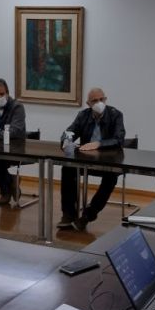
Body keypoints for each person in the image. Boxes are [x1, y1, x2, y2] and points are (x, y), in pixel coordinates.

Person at [57, 87, 125, 231]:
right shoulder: (83, 115)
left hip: (109, 161)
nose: (99, 103)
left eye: (101, 99)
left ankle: (89, 214)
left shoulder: (115, 115)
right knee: (68, 168)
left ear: (105, 100)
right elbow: (70, 131)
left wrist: (99, 144)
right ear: (88, 104)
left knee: (111, 177)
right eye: (94, 101)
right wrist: (66, 140)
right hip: (86, 161)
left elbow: (119, 139)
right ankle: (68, 214)